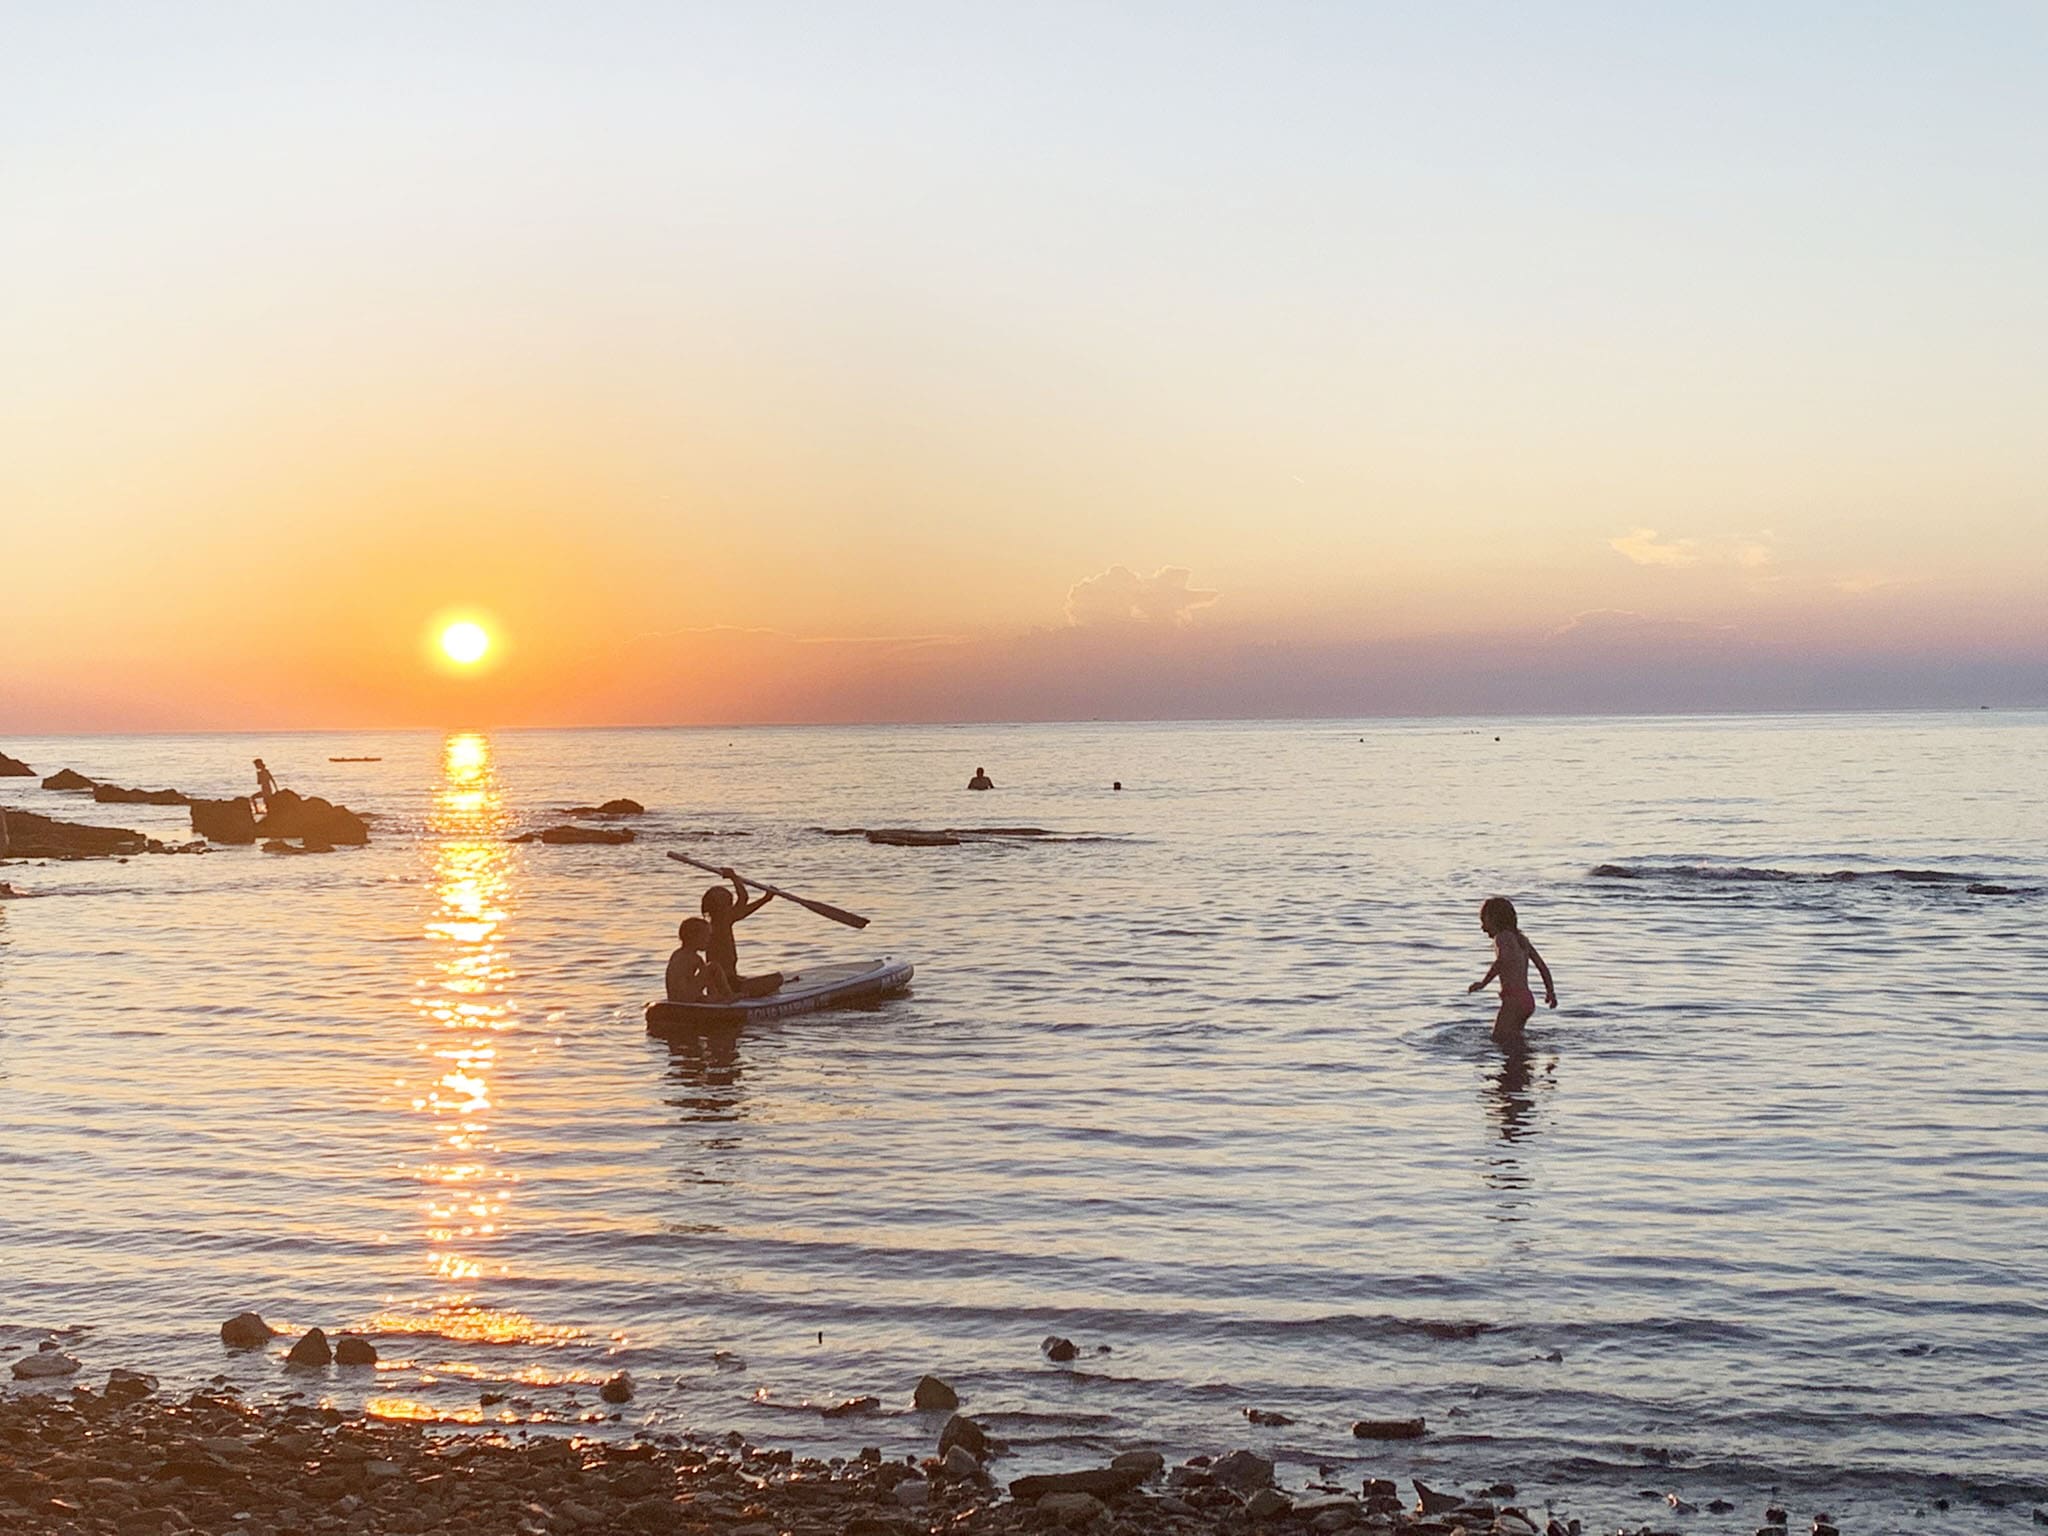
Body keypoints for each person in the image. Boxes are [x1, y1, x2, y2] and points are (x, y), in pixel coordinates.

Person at [1467, 895, 1555, 1049]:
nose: (1482, 928)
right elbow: (1542, 967)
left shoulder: (1502, 938)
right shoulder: (1521, 940)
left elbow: (1502, 960)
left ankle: (1515, 1067)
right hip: (1527, 1000)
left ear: (1495, 919)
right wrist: (1550, 992)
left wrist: (1483, 983)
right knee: (1513, 1037)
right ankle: (1523, 1067)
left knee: (1499, 1038)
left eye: (1484, 921)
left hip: (1513, 1001)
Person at [701, 869, 783, 997]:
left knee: (752, 980)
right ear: (720, 907)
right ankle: (744, 992)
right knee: (777, 979)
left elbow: (743, 911)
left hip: (729, 980)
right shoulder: (722, 922)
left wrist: (765, 899)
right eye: (728, 903)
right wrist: (734, 878)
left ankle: (744, 987)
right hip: (728, 985)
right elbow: (744, 898)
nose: (731, 906)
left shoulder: (718, 923)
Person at [666, 917, 734, 1004]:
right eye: (706, 936)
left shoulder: (676, 954)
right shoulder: (695, 958)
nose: (709, 940)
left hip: (674, 997)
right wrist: (715, 996)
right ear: (693, 937)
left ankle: (712, 997)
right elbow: (709, 980)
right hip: (686, 997)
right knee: (713, 966)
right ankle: (729, 995)